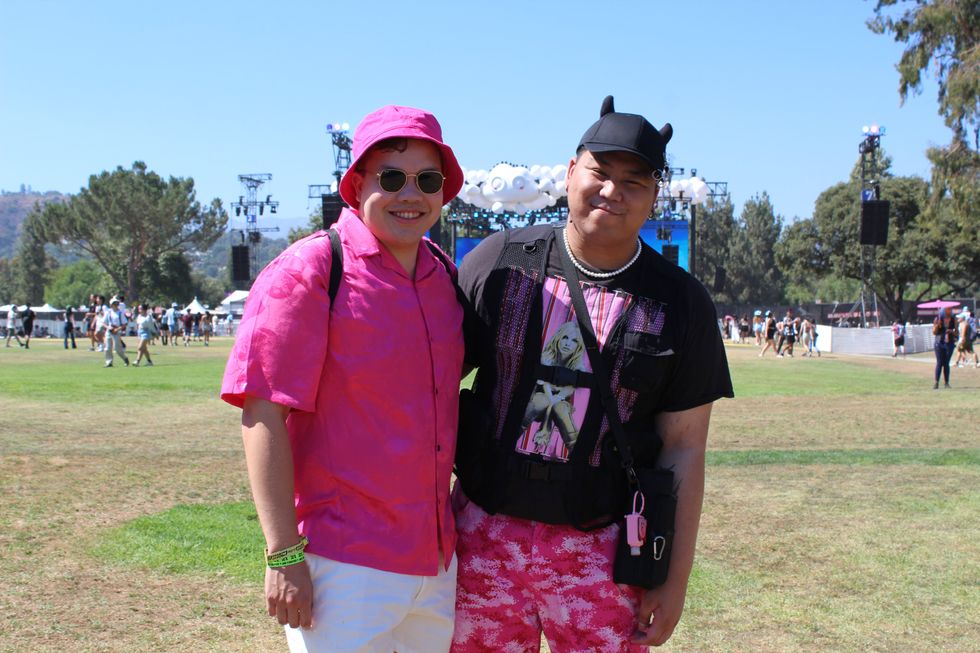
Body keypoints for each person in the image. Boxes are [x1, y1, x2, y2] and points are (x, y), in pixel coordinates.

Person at [451, 96, 733, 651]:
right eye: (599, 172)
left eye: (634, 182)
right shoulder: (499, 262)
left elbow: (684, 448)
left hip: (602, 552)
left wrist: (673, 579)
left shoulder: (681, 303)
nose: (612, 190)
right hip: (481, 538)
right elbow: (429, 391)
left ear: (654, 197)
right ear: (570, 172)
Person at [220, 104, 465, 653]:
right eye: (391, 178)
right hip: (344, 566)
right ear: (356, 185)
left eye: (428, 180)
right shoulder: (311, 269)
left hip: (435, 563)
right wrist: (283, 554)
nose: (411, 194)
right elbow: (261, 412)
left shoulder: (444, 276)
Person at [932, 306, 957, 389]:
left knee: (946, 363)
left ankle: (946, 383)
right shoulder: (937, 319)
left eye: (950, 310)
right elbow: (934, 332)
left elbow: (957, 333)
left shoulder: (953, 319)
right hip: (939, 343)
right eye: (948, 310)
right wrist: (937, 325)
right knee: (939, 363)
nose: (949, 311)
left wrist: (952, 331)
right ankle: (936, 383)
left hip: (949, 343)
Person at [103, 297, 130, 367]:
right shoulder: (108, 312)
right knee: (108, 348)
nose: (116, 305)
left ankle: (125, 358)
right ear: (111, 305)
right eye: (114, 303)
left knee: (117, 349)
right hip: (109, 331)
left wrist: (117, 329)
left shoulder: (120, 313)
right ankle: (109, 362)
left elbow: (125, 324)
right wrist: (108, 327)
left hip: (116, 331)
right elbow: (103, 322)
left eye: (117, 303)